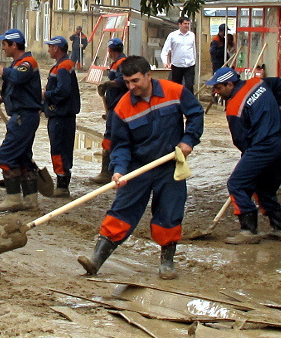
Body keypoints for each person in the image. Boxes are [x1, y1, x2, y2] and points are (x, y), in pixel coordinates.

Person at [78, 56, 204, 280]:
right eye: (127, 82)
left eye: (135, 80)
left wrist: (188, 140)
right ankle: (96, 260)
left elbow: (195, 113)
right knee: (122, 210)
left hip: (169, 165)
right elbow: (120, 145)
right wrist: (119, 169)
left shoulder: (174, 91)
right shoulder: (122, 108)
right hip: (138, 167)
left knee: (169, 213)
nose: (131, 86)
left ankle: (167, 262)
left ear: (149, 75)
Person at [206, 67, 281, 244]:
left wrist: (249, 159)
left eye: (218, 87)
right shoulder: (258, 82)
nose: (215, 91)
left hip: (263, 146)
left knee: (237, 184)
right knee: (265, 187)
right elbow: (279, 83)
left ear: (230, 84)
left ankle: (248, 230)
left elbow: (240, 140)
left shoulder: (234, 107)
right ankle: (280, 229)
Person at [0, 29, 42, 211]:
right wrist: (2, 99)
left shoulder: (27, 63)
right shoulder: (19, 63)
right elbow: (21, 89)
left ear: (14, 45)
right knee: (23, 157)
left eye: (4, 44)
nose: (3, 48)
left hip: (23, 117)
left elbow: (16, 77)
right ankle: (31, 199)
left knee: (6, 156)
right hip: (24, 115)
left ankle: (13, 199)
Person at [42, 36, 81, 197]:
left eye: (50, 47)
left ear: (57, 48)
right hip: (62, 115)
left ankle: (62, 184)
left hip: (61, 116)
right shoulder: (63, 65)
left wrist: (46, 95)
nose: (49, 49)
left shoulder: (63, 67)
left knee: (59, 150)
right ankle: (62, 181)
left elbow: (63, 91)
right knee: (62, 150)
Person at [90, 38, 128, 184]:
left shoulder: (122, 63)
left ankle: (107, 171)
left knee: (110, 136)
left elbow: (122, 81)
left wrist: (107, 84)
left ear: (110, 51)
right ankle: (109, 169)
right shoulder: (118, 62)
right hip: (114, 105)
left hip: (118, 106)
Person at [161, 16, 196, 93]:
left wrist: (194, 60)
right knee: (176, 86)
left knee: (189, 85)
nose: (187, 25)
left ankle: (189, 103)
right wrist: (165, 62)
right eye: (185, 24)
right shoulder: (172, 35)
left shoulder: (192, 35)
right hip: (177, 65)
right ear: (180, 24)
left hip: (189, 64)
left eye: (188, 24)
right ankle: (177, 102)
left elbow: (194, 49)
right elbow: (165, 50)